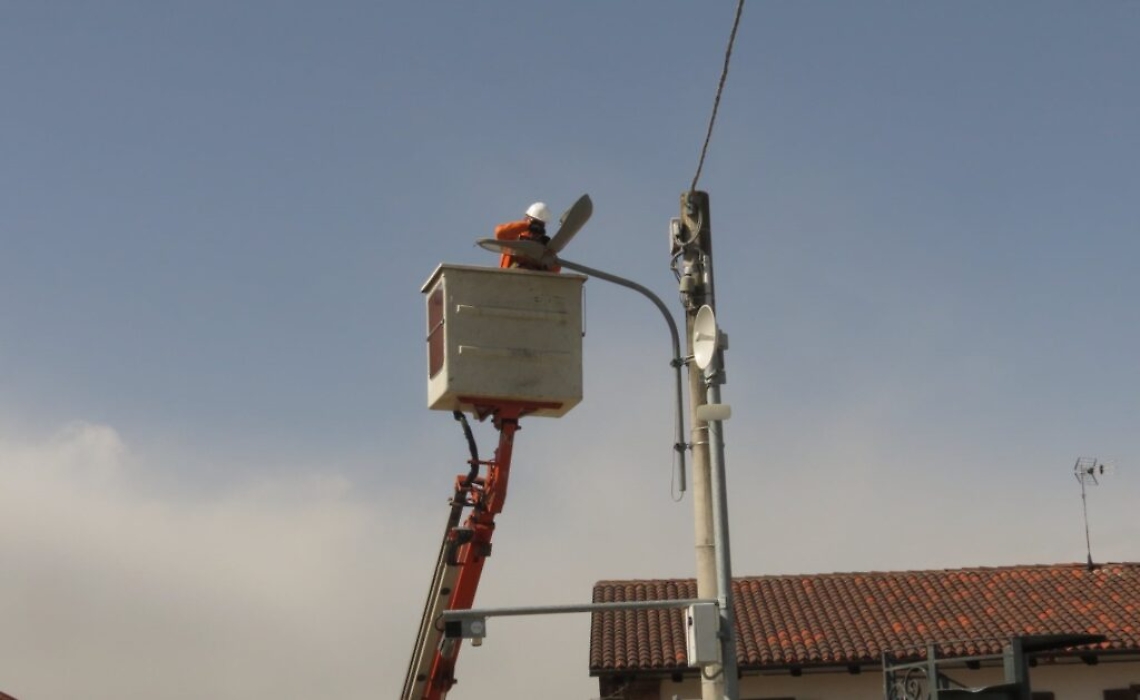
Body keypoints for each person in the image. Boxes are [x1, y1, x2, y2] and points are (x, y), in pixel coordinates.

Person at [494, 202, 561, 272]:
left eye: (541, 225)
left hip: (532, 277)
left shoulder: (543, 247)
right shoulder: (514, 240)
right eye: (535, 222)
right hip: (511, 276)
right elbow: (500, 232)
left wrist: (549, 254)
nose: (537, 227)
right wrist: (528, 226)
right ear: (525, 219)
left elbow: (555, 270)